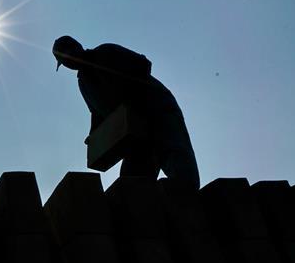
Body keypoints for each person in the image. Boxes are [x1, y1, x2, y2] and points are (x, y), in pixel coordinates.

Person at [53, 35, 200, 190]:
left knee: (174, 154)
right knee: (131, 182)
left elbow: (143, 64)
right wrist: (94, 136)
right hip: (134, 128)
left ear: (76, 47)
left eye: (67, 58)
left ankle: (187, 191)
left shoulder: (105, 52)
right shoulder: (83, 82)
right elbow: (96, 113)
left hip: (157, 109)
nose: (68, 64)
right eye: (63, 62)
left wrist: (132, 99)